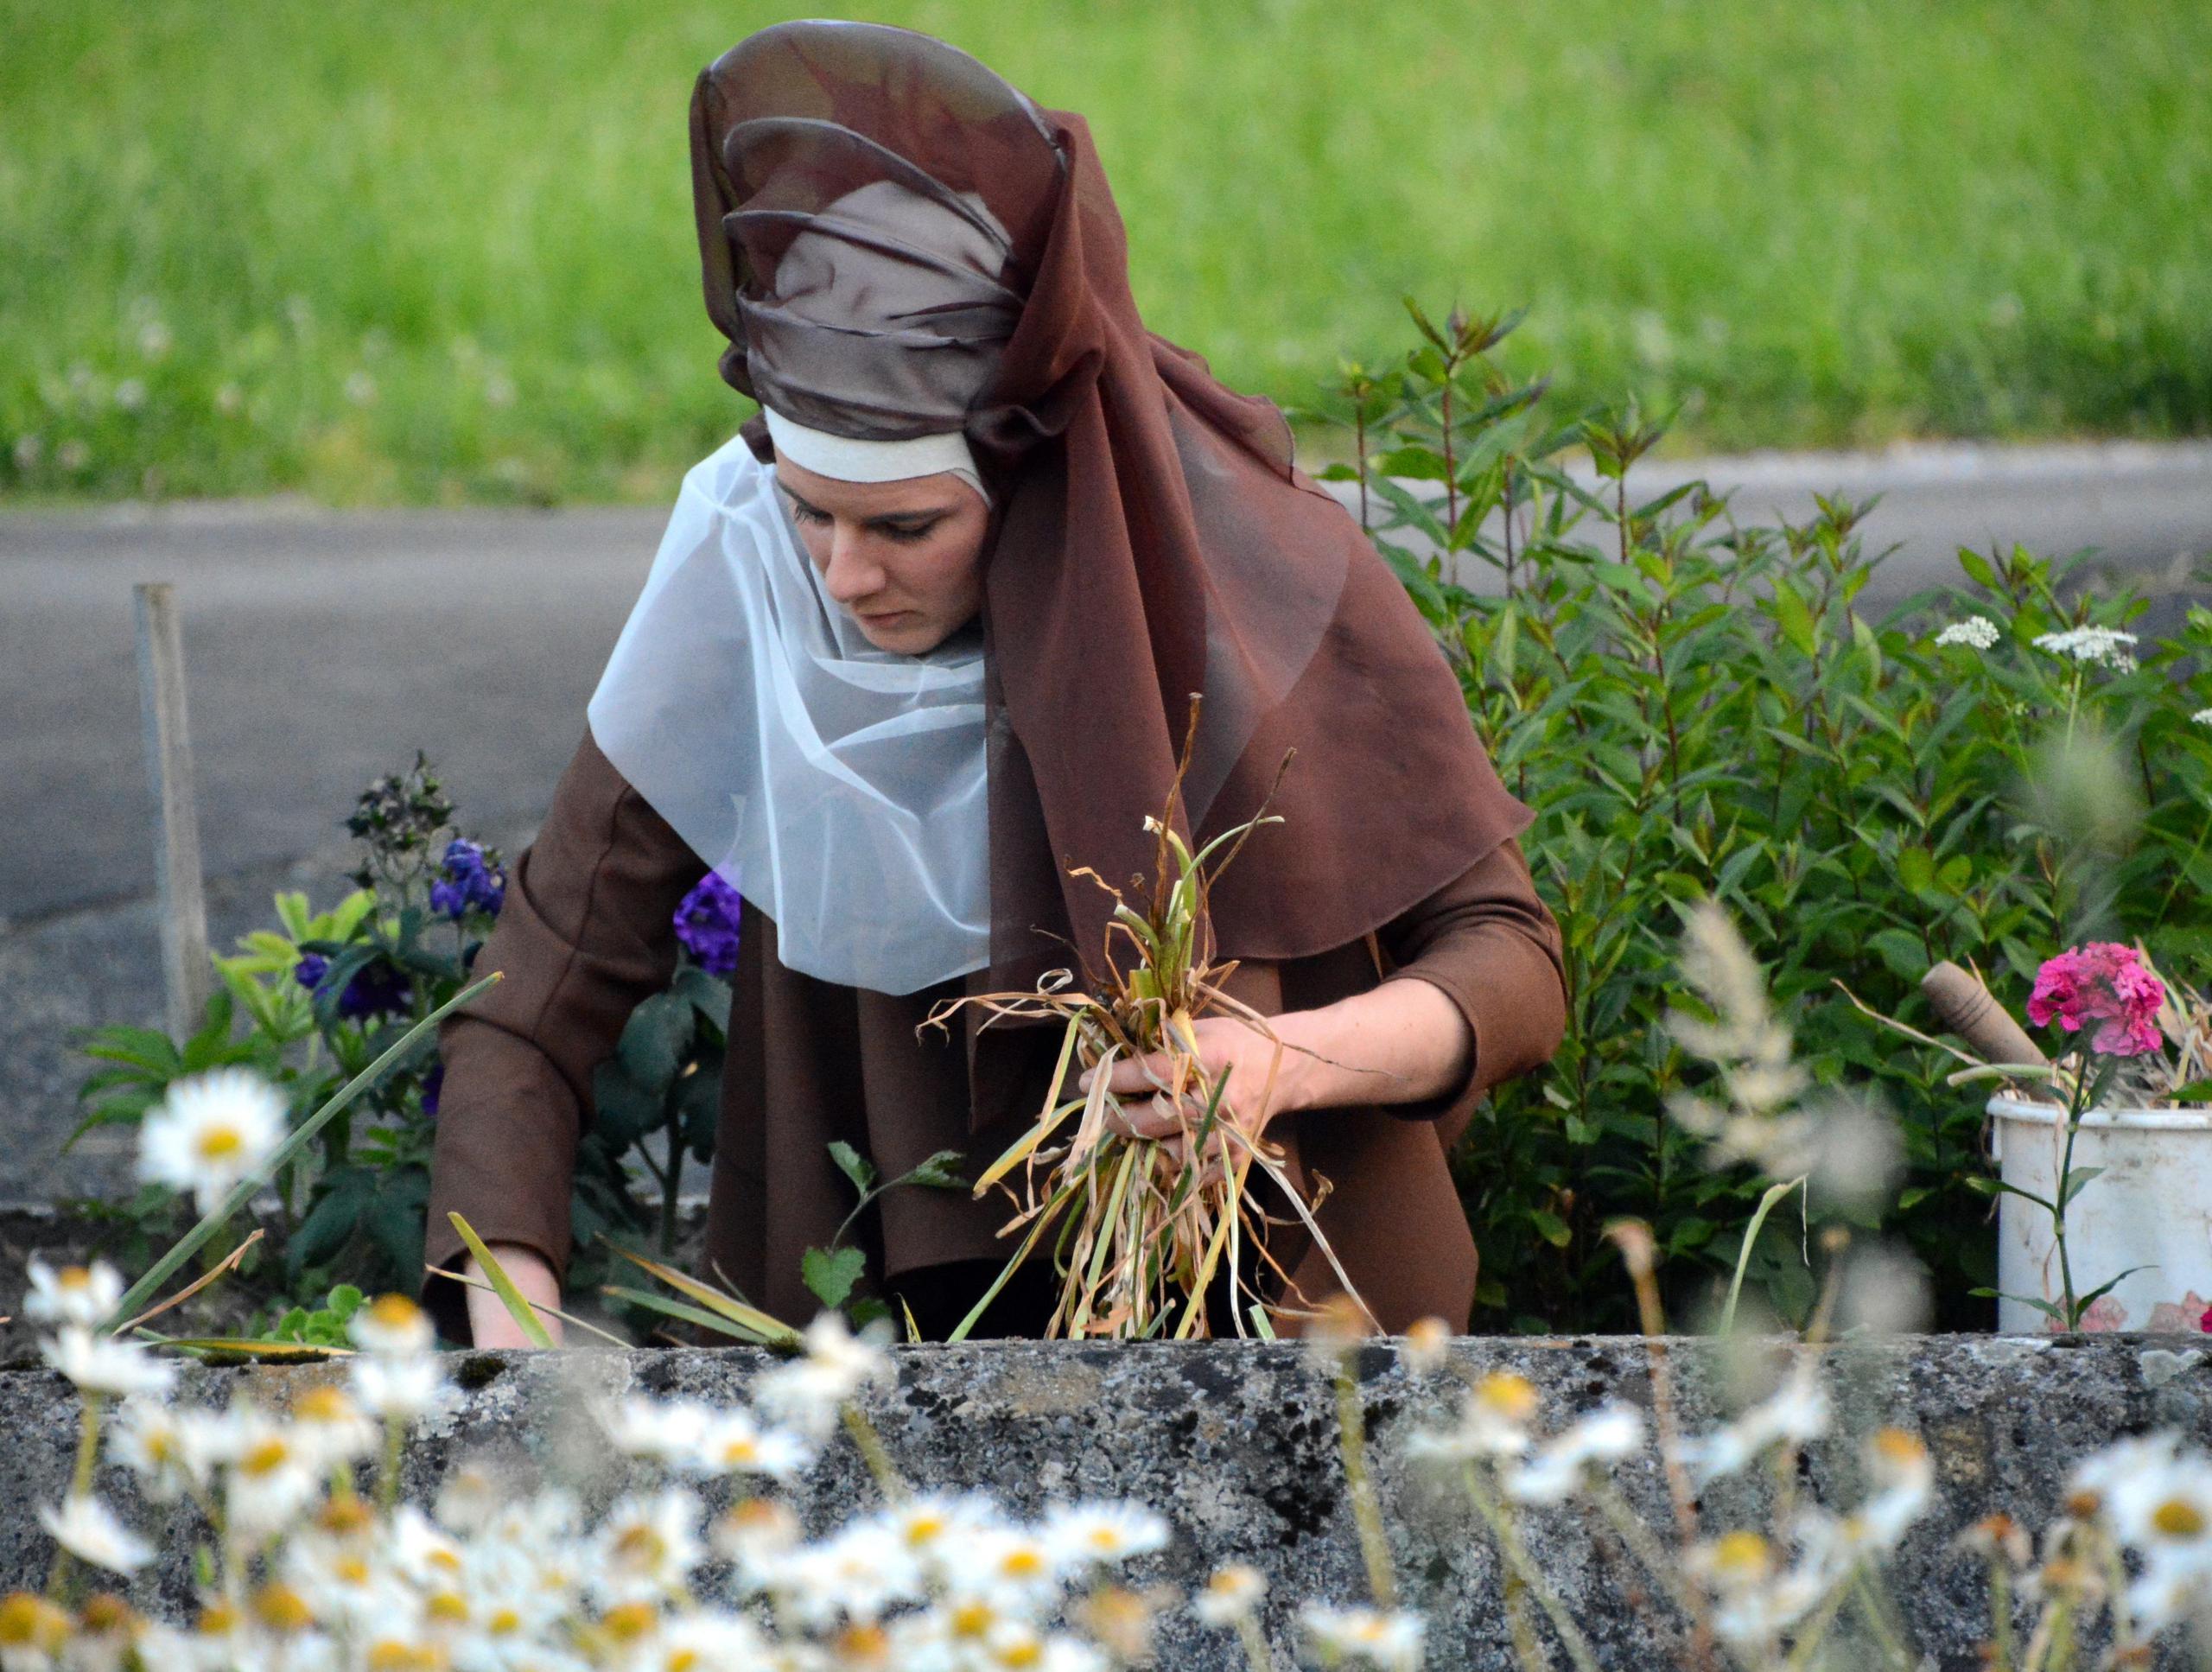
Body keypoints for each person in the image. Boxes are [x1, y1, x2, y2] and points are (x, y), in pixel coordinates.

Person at [422, 20, 1567, 1349]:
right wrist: (517, 1333)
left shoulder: (1252, 569)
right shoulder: (751, 572)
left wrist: (1267, 1067)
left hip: (1280, 1336)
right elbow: (534, 995)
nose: (841, 578)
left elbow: (1511, 964)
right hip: (872, 1342)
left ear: (1032, 499)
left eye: (906, 528)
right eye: (810, 514)